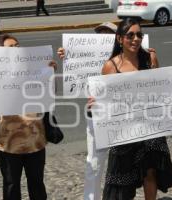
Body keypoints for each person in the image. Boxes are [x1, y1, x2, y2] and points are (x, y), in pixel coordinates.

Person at [100, 18, 172, 200]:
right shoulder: (111, 66)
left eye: (139, 34)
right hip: (124, 131)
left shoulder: (150, 59)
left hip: (150, 128)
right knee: (123, 179)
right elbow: (104, 101)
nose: (135, 39)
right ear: (120, 39)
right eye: (130, 35)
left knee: (151, 172)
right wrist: (95, 104)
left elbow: (161, 90)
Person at [57, 22, 117, 200]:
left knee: (120, 165)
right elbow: (77, 69)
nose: (103, 38)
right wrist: (68, 56)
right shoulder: (90, 56)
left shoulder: (125, 58)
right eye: (100, 34)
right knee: (94, 163)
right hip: (96, 116)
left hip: (120, 117)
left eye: (109, 35)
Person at [0, 34, 56, 200]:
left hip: (35, 141)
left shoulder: (35, 70)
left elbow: (50, 96)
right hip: (8, 143)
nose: (15, 48)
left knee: (37, 184)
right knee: (11, 185)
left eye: (17, 45)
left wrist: (50, 73)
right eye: (11, 47)